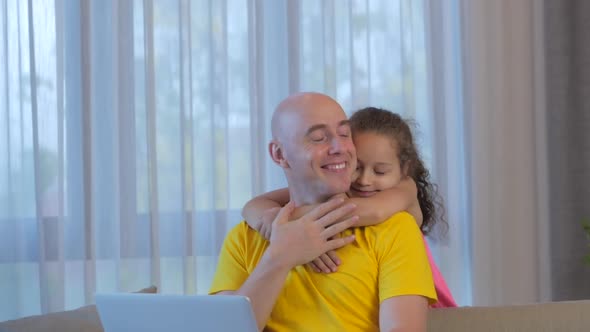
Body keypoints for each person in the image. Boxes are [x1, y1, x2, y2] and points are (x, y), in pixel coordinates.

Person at [209, 93, 436, 331]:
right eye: (318, 138)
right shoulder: (244, 237)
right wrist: (281, 256)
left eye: (344, 134)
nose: (339, 147)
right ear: (279, 154)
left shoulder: (395, 228)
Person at [243, 106, 457, 308]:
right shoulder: (340, 191)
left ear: (405, 168)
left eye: (380, 171)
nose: (364, 180)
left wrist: (289, 221)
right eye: (356, 167)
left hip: (418, 302)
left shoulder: (405, 188)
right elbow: (254, 205)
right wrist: (271, 222)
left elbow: (372, 211)